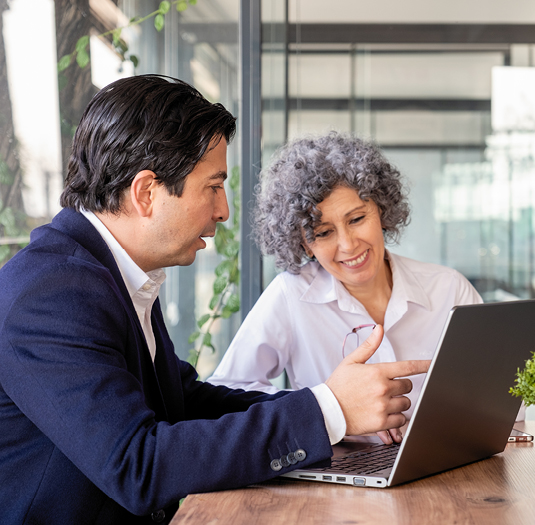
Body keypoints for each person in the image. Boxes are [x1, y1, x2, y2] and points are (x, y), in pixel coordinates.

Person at [0, 76, 429, 524]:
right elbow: (138, 466)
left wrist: (337, 412)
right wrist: (327, 412)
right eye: (213, 186)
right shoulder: (50, 295)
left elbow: (182, 401)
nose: (223, 211)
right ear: (147, 193)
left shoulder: (108, 273)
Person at [209, 131, 483, 425]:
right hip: (339, 463)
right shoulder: (291, 295)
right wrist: (329, 410)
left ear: (381, 209)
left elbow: (498, 391)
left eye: (356, 219)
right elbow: (225, 392)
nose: (349, 245)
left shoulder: (449, 290)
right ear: (303, 243)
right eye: (324, 233)